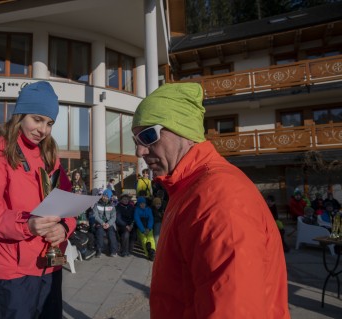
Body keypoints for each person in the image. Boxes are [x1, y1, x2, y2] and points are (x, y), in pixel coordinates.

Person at [132, 82, 289, 318]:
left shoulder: (220, 196)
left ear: (183, 130)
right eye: (136, 140)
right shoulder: (187, 187)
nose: (140, 152)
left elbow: (234, 310)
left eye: (148, 136)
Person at [0, 81, 76, 319]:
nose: (43, 130)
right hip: (14, 271)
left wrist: (64, 227)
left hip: (50, 264)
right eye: (37, 119)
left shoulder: (51, 159)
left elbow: (67, 205)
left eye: (49, 123)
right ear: (20, 115)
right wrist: (26, 224)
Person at [92, 190, 118, 257]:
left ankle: (113, 251)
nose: (104, 197)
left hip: (109, 223)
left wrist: (108, 224)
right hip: (100, 223)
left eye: (106, 196)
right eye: (104, 196)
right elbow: (95, 215)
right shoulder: (97, 204)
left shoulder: (112, 205)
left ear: (109, 197)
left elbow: (113, 217)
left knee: (111, 233)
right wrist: (102, 223)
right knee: (99, 232)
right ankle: (99, 250)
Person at [134, 196, 156, 261]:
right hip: (141, 228)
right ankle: (148, 254)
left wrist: (149, 228)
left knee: (151, 239)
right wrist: (143, 230)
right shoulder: (137, 210)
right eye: (141, 203)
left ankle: (153, 252)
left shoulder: (149, 209)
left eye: (143, 203)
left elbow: (151, 219)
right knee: (144, 240)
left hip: (148, 228)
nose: (142, 205)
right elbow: (137, 220)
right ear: (138, 204)